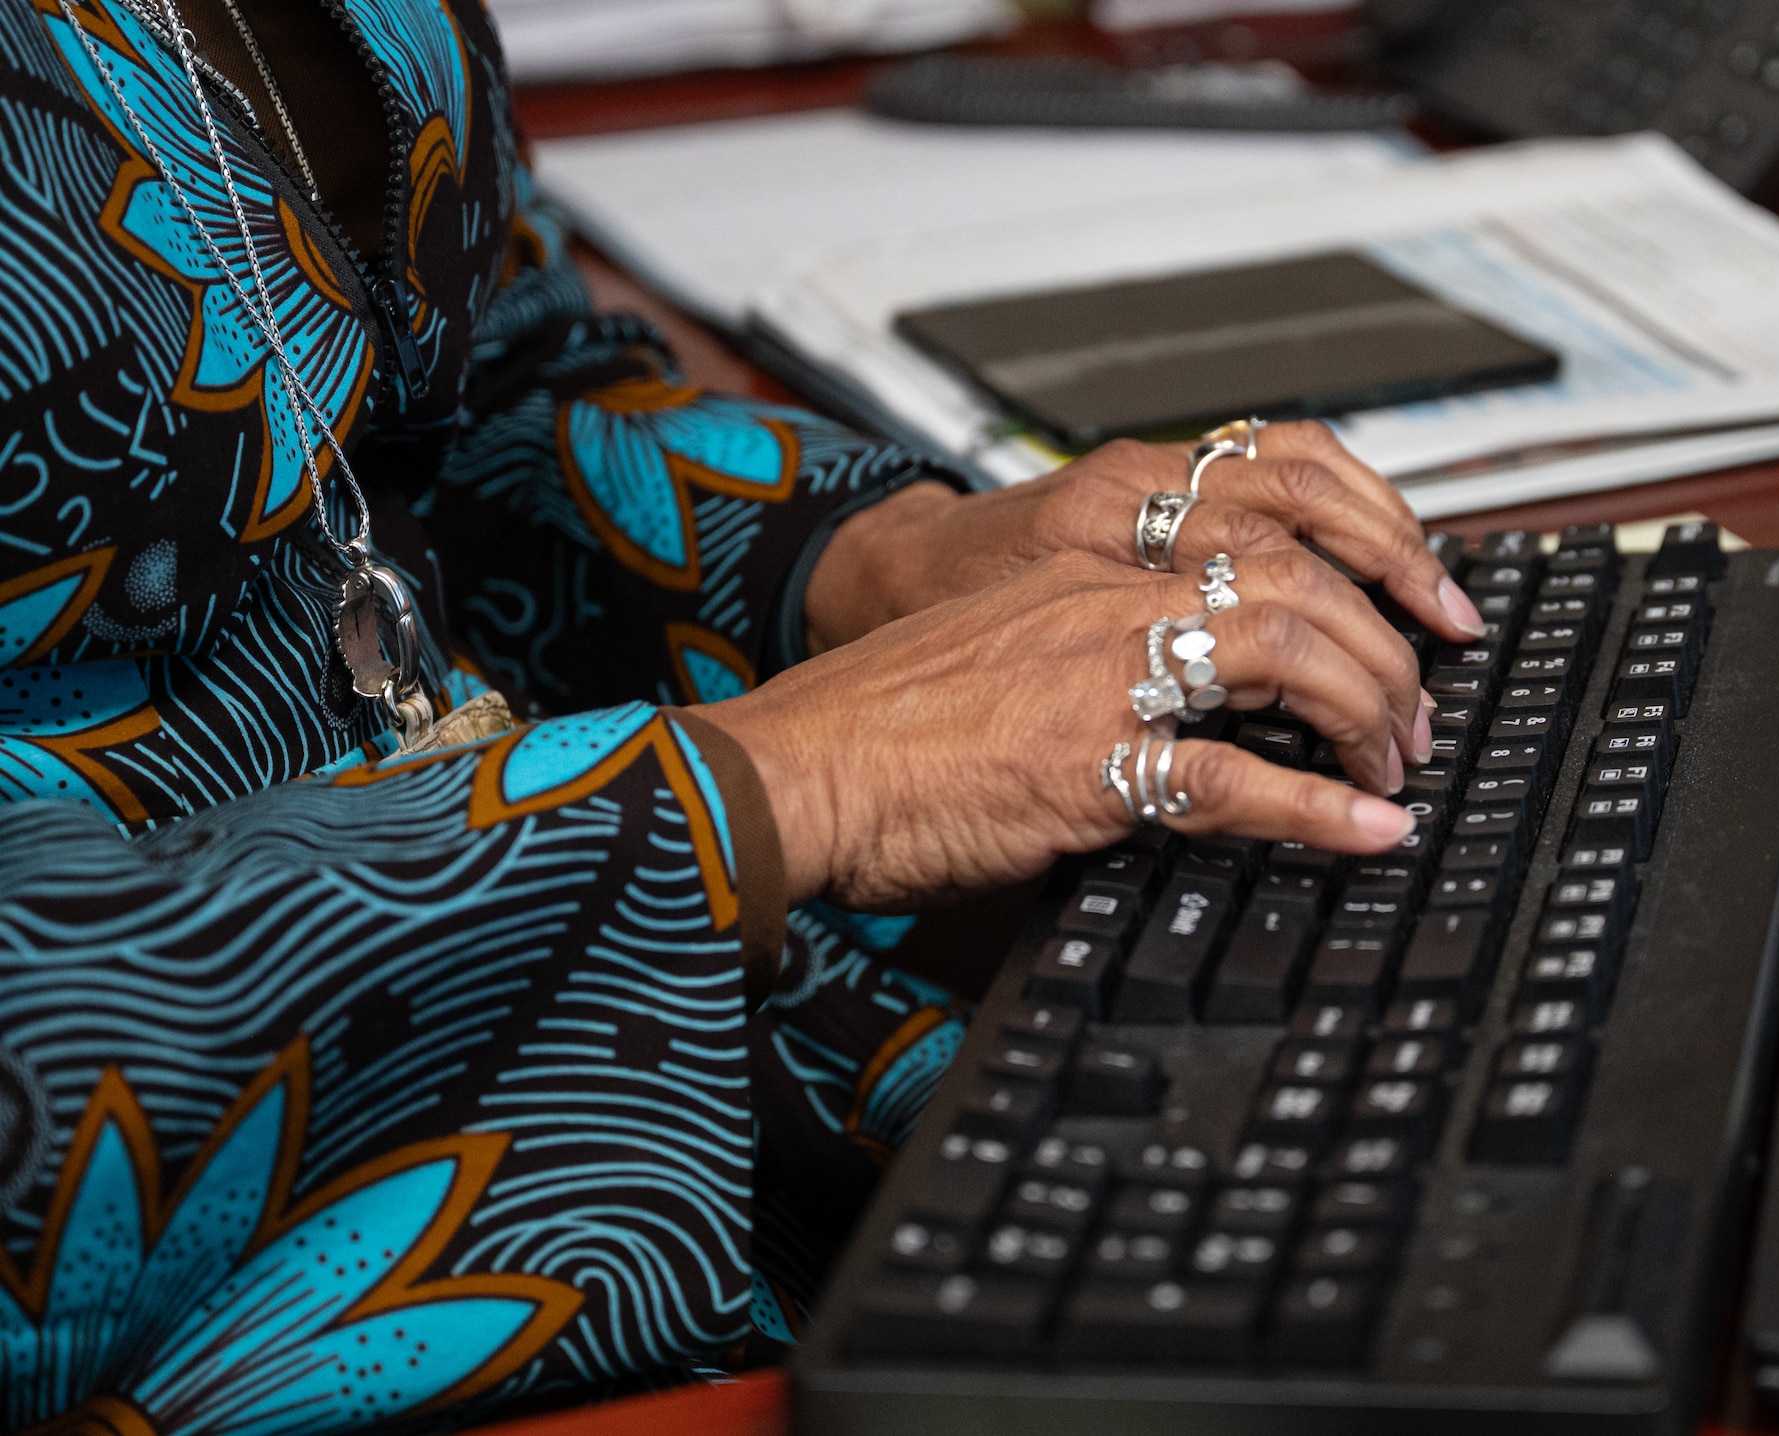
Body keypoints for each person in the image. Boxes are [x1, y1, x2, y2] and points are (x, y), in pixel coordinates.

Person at [0, 0, 1484, 1426]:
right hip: (295, 1251)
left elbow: (469, 385)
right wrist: (782, 788)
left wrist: (872, 557)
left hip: (688, 1006)